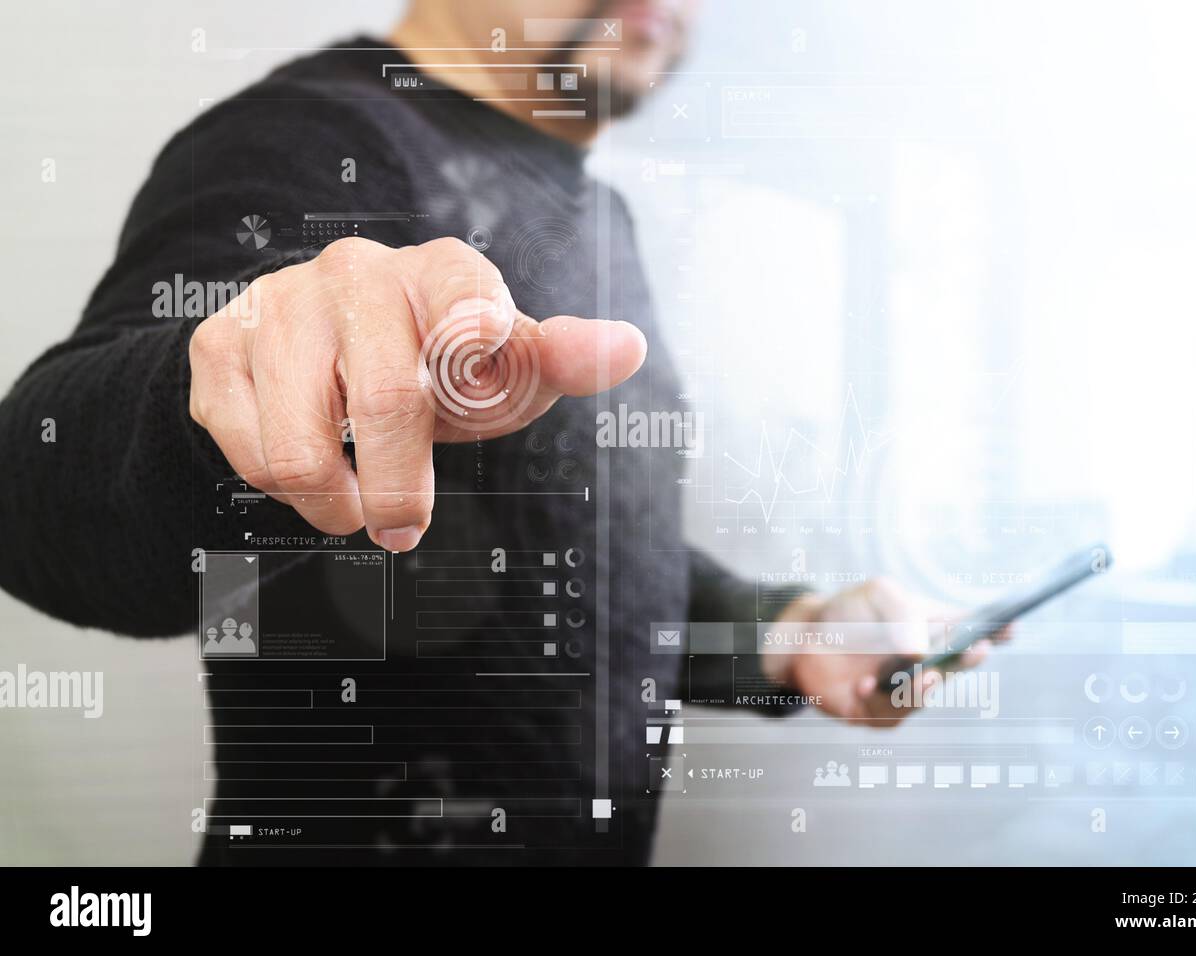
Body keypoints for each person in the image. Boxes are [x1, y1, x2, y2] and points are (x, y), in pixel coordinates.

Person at [0, 0, 1003, 865]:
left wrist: (787, 634)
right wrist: (219, 394)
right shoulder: (300, 138)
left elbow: (569, 560)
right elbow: (29, 495)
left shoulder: (596, 210)